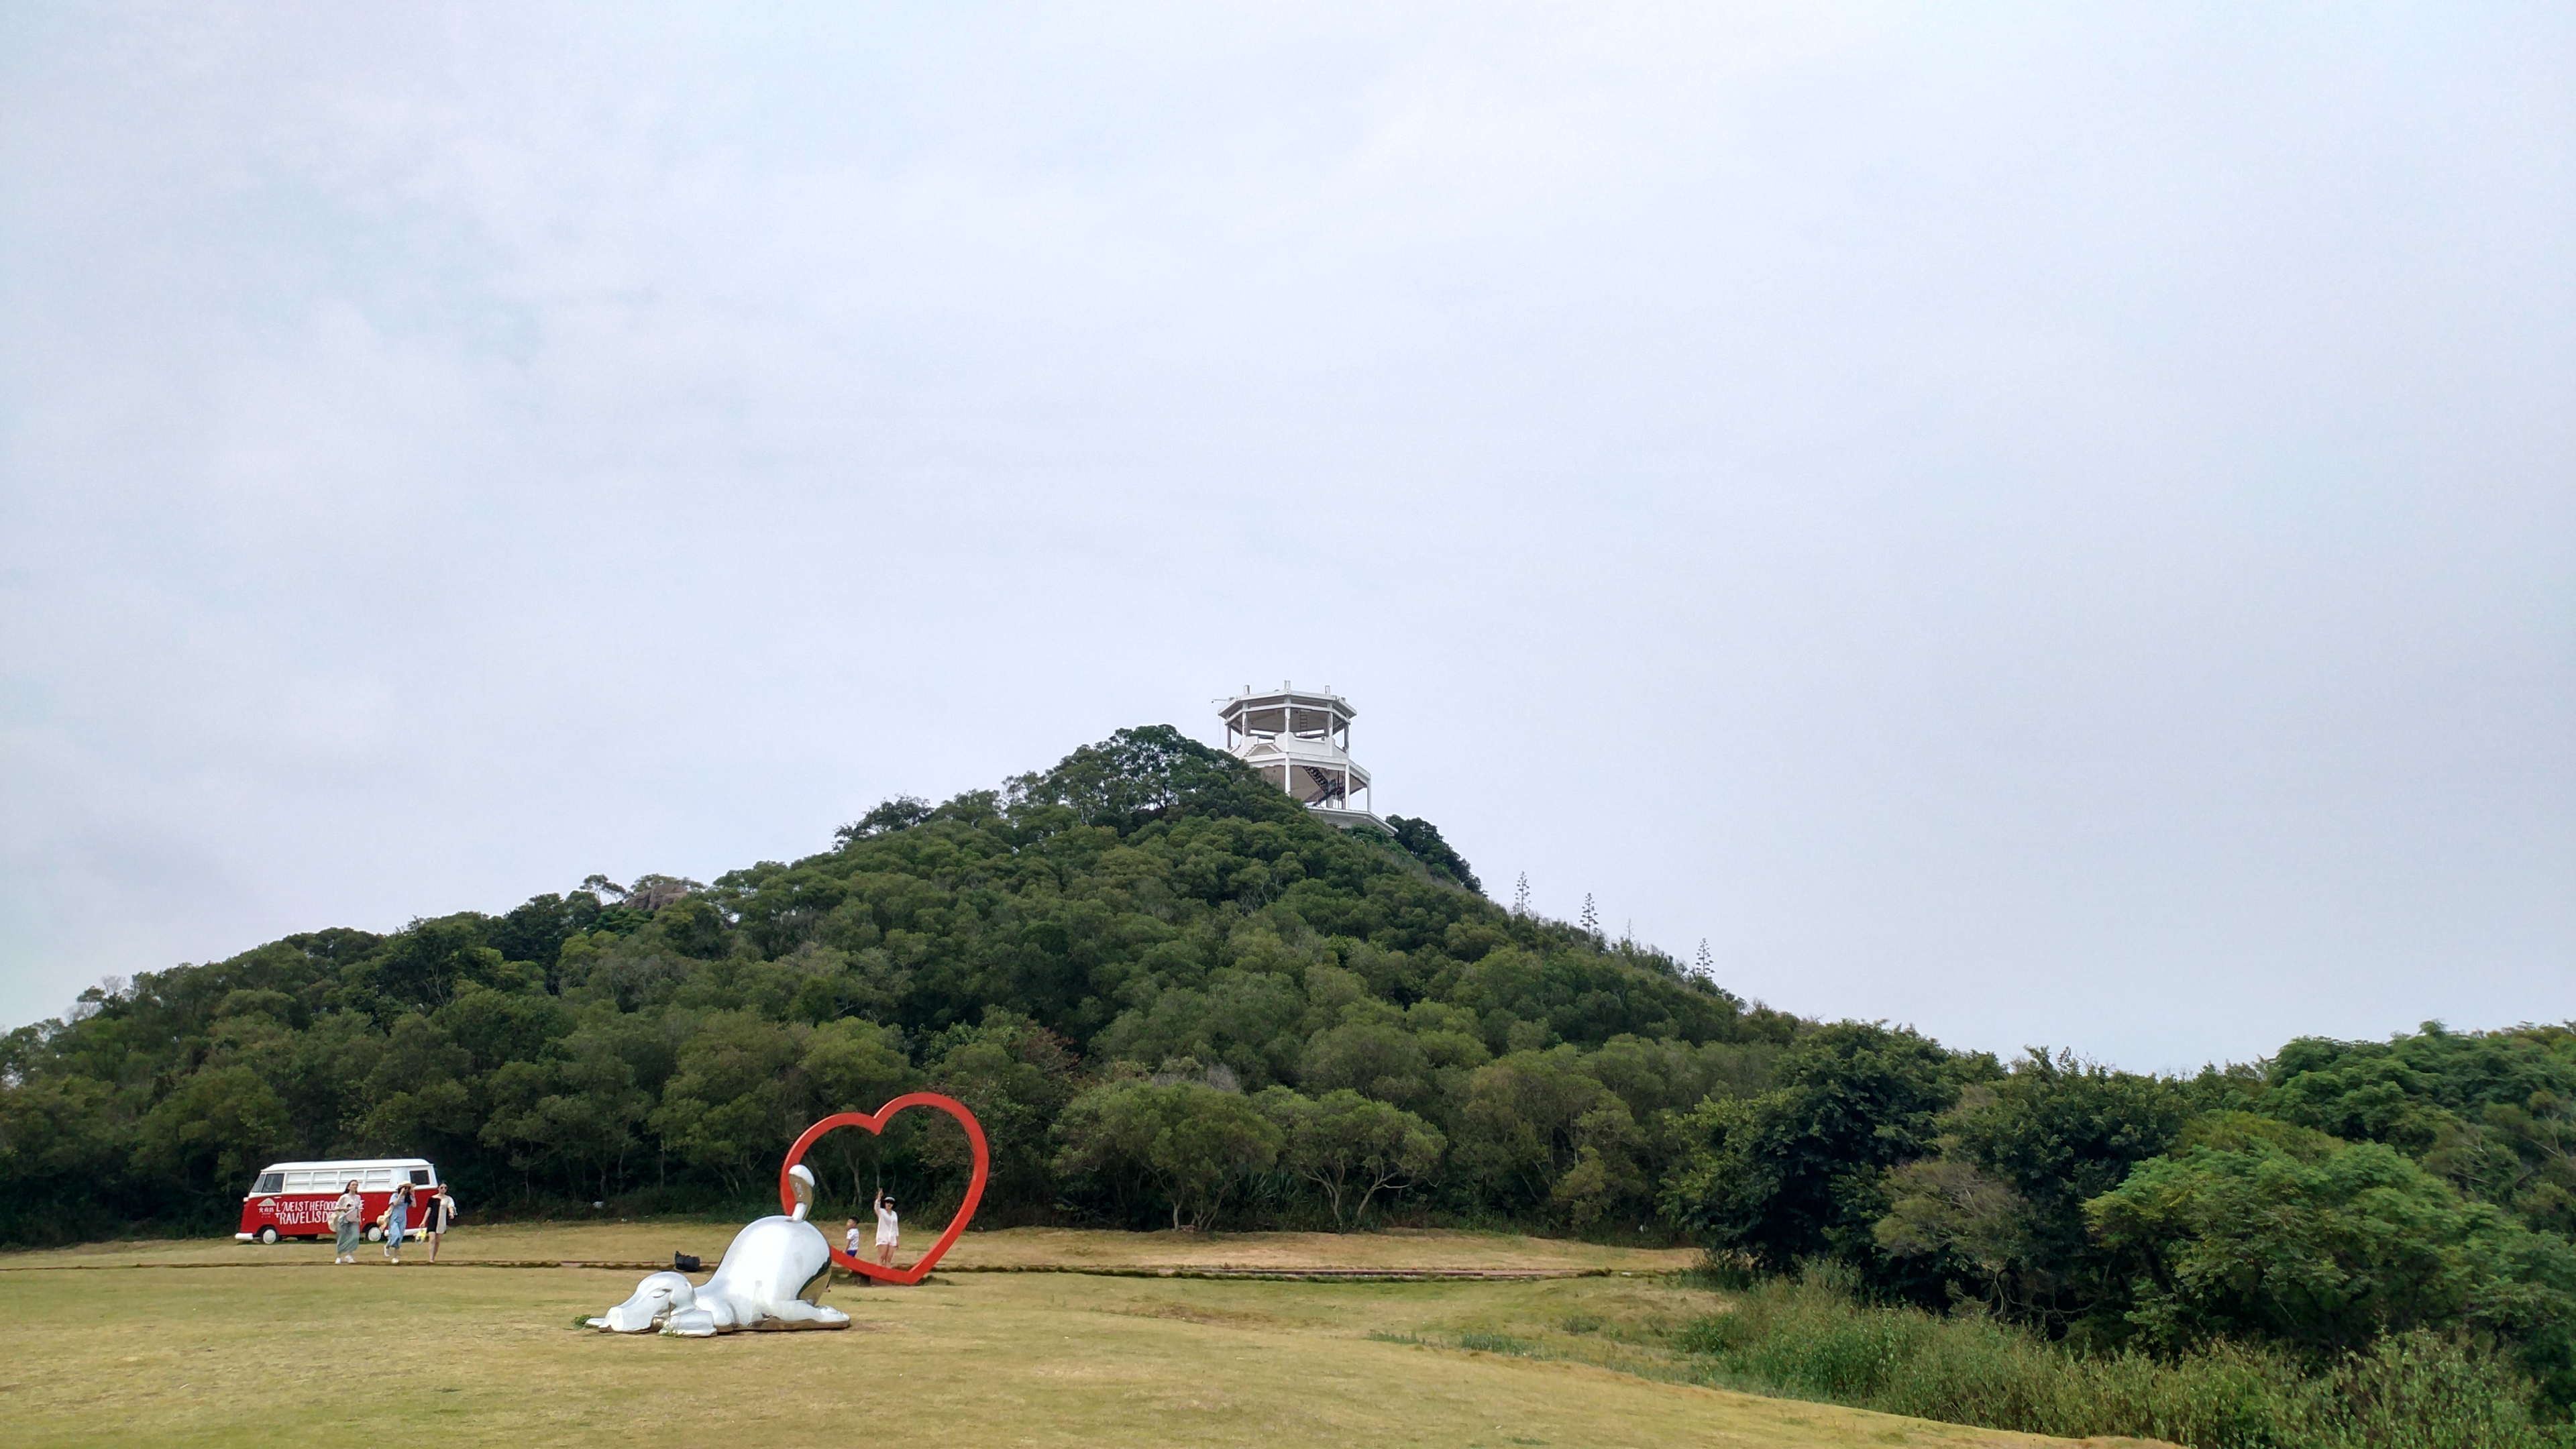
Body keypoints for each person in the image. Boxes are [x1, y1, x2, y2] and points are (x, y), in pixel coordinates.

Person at [423, 1184, 460, 1263]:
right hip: (432, 1220)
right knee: (432, 1240)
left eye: (445, 1188)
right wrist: (423, 1221)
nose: (443, 1189)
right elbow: (428, 1210)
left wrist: (451, 1213)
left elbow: (450, 1207)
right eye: (442, 1188)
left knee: (437, 1241)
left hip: (441, 1221)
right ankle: (431, 1259)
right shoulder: (433, 1198)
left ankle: (433, 1257)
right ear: (438, 1188)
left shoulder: (448, 1199)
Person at [331, 1180, 364, 1265]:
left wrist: (360, 1218)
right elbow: (336, 1208)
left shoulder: (358, 1197)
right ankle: (339, 1257)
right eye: (353, 1185)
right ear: (349, 1187)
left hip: (354, 1220)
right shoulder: (344, 1197)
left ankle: (349, 1255)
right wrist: (343, 1209)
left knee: (355, 1237)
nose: (355, 1186)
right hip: (344, 1219)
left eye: (356, 1185)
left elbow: (358, 1209)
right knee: (342, 1238)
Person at [381, 1183, 413, 1265]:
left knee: (399, 1238)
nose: (406, 1190)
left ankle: (395, 1257)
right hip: (395, 1218)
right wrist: (400, 1195)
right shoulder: (395, 1195)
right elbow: (394, 1204)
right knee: (395, 1234)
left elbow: (414, 1205)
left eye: (408, 1188)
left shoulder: (408, 1197)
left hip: (403, 1218)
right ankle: (387, 1246)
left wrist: (413, 1194)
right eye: (405, 1188)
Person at [871, 1189, 899, 1269]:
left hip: (892, 1237)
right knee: (882, 1256)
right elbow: (876, 1207)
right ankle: (878, 1274)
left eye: (891, 1203)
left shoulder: (894, 1214)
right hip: (883, 1236)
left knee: (889, 1258)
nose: (889, 1204)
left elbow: (895, 1227)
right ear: (885, 1203)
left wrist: (897, 1240)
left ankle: (887, 1276)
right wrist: (879, 1197)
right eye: (887, 1202)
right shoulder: (882, 1212)